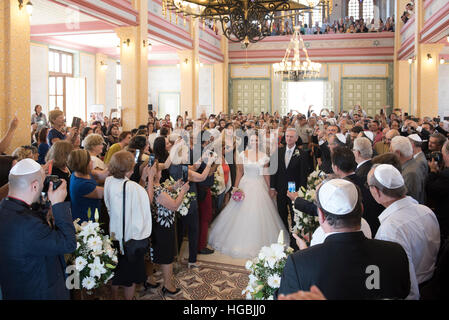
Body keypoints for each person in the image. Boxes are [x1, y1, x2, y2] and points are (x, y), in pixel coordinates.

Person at [277, 179, 410, 300]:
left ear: (321, 216)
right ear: (361, 210)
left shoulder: (299, 263)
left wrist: (306, 253)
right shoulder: (395, 252)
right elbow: (403, 292)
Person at [0, 159, 76, 299]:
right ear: (35, 186)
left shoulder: (5, 208)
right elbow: (69, 244)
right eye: (42, 183)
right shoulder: (28, 226)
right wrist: (59, 204)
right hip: (39, 292)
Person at [208, 131, 289, 258]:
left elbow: (266, 174)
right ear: (249, 142)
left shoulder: (264, 156)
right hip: (245, 185)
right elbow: (239, 172)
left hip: (259, 185)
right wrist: (235, 187)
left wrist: (270, 189)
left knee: (259, 213)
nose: (254, 142)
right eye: (252, 140)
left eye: (256, 140)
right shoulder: (242, 154)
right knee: (239, 213)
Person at [367, 164, 440, 300]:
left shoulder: (390, 230)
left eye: (369, 186)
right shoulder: (426, 211)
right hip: (434, 286)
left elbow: (398, 283)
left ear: (376, 191)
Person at [104, 151, 153, 300]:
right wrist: (149, 178)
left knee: (115, 270)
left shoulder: (109, 181)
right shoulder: (133, 187)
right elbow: (148, 200)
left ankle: (113, 296)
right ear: (128, 169)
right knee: (129, 277)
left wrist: (142, 179)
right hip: (130, 237)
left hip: (114, 233)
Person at [150, 161, 190, 296]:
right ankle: (168, 285)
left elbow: (164, 190)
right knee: (167, 256)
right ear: (156, 174)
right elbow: (173, 205)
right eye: (160, 170)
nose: (161, 171)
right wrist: (183, 191)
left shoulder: (152, 186)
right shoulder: (157, 190)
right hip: (163, 226)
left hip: (158, 224)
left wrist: (175, 186)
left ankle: (150, 279)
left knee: (156, 254)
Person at [270, 128, 310, 249]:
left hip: (294, 190)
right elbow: (274, 171)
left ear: (296, 138)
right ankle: (284, 236)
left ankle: (294, 241)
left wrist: (301, 191)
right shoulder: (278, 152)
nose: (288, 139)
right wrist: (272, 187)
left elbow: (303, 175)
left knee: (294, 215)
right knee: (281, 213)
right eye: (287, 136)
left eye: (291, 137)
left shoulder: (302, 154)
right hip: (280, 188)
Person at [67, 149, 104, 223]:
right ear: (84, 164)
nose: (92, 162)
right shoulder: (82, 185)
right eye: (90, 160)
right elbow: (105, 193)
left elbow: (103, 175)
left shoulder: (79, 173)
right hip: (86, 222)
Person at [391, 136, 426, 204]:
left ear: (398, 153)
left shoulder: (410, 173)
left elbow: (411, 201)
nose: (389, 153)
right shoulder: (410, 165)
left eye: (391, 150)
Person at [426, 140, 449, 242]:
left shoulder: (445, 175)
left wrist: (433, 171)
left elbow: (431, 190)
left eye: (443, 154)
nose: (442, 157)